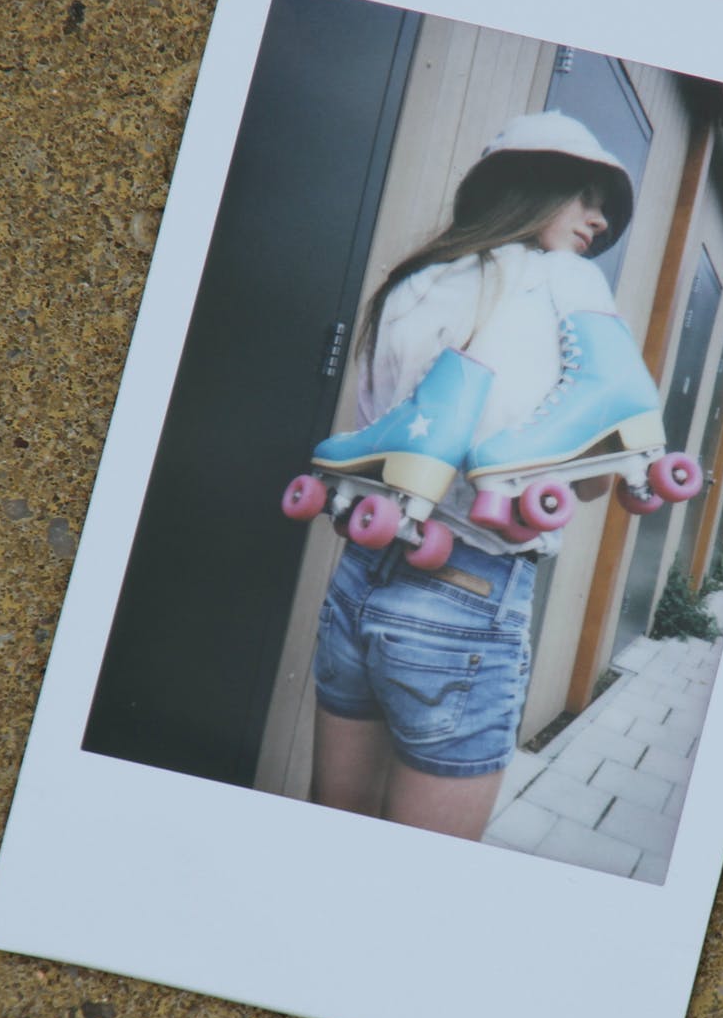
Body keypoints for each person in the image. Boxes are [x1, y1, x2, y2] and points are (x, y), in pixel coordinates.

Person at [292, 111, 693, 840]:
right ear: (533, 185)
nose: (600, 221)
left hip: (362, 572)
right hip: (469, 594)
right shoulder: (561, 283)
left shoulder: (414, 283)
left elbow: (384, 437)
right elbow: (586, 478)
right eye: (586, 197)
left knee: (333, 826)